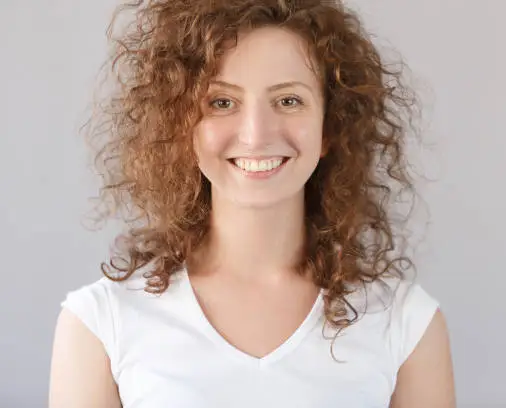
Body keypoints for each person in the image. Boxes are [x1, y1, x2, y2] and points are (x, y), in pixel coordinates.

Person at [49, 0, 455, 407]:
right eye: (222, 102)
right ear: (180, 125)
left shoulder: (406, 323)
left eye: (288, 101)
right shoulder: (101, 324)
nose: (256, 135)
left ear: (330, 127)